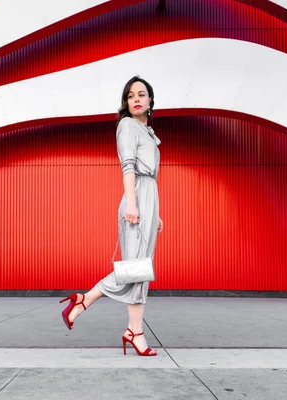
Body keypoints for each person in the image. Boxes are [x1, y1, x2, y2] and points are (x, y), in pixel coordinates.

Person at [60, 76, 163, 357]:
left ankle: (132, 329)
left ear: (151, 100)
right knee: (137, 269)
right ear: (126, 102)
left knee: (140, 272)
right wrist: (133, 203)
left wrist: (156, 214)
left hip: (148, 200)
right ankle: (87, 302)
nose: (136, 99)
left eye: (142, 94)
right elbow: (128, 167)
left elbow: (151, 175)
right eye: (131, 96)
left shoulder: (148, 132)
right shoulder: (128, 126)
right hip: (137, 197)